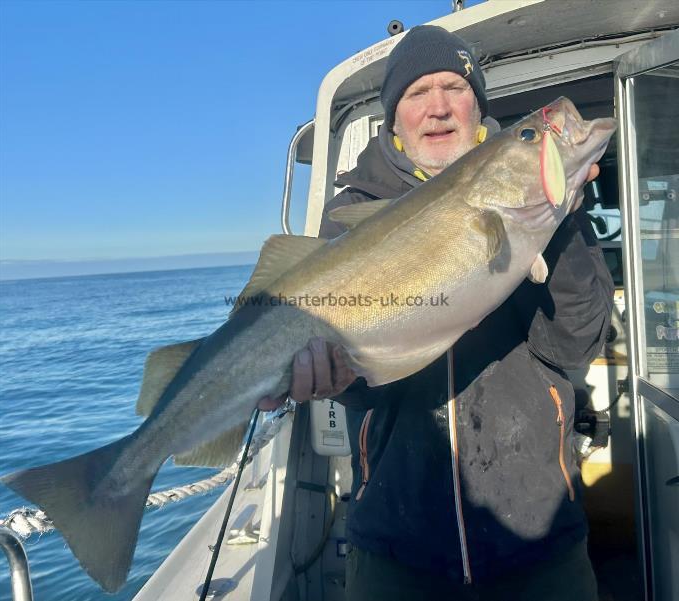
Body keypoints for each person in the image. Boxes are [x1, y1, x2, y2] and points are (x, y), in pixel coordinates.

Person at [260, 25, 613, 601]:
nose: (438, 107)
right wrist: (332, 381)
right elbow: (361, 388)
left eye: (454, 86)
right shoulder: (352, 213)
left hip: (539, 538)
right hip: (395, 552)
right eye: (417, 93)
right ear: (393, 119)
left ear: (477, 107)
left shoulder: (539, 212)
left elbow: (578, 345)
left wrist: (561, 224)